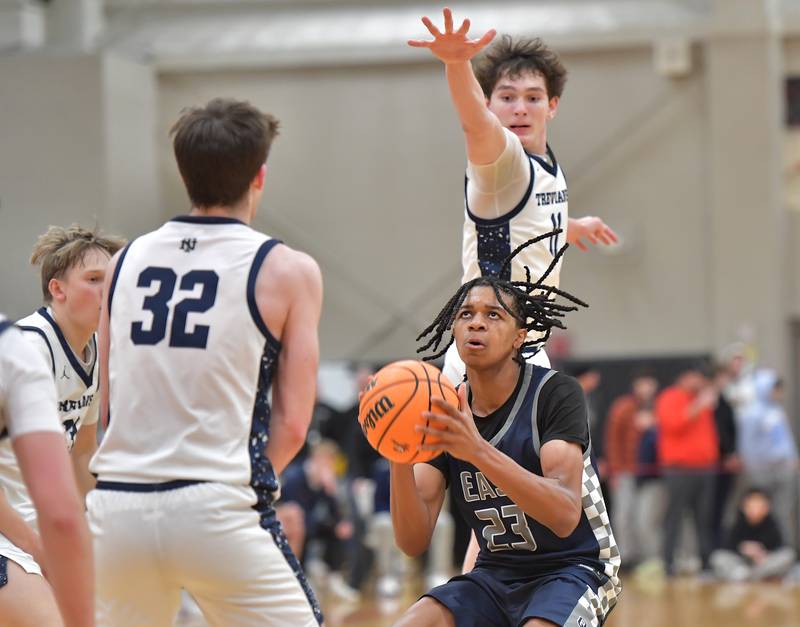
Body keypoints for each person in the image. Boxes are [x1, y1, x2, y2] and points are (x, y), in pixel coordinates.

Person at [87, 98, 324, 626]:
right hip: (215, 506)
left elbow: (107, 402)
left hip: (117, 505)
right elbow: (292, 422)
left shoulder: (126, 260)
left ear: (182, 171)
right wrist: (230, 485)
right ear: (259, 175)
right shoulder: (287, 269)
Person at [391, 245, 621, 626]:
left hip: (575, 568)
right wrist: (396, 451)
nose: (476, 323)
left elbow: (564, 515)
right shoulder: (445, 411)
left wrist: (477, 450)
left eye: (493, 315)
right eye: (466, 314)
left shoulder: (555, 393)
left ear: (520, 336)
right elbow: (412, 541)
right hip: (495, 575)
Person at [408, 7, 617, 384]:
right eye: (507, 97)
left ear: (552, 106)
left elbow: (524, 223)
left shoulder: (546, 166)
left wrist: (569, 227)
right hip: (491, 355)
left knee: (560, 443)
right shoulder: (504, 161)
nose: (520, 107)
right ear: (489, 103)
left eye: (533, 98)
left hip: (522, 347)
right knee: (557, 444)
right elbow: (474, 126)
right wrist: (458, 65)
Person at [0, 316, 95, 626]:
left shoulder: (96, 351)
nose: (104, 292)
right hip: (14, 533)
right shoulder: (24, 347)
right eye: (92, 280)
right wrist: (43, 552)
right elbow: (59, 516)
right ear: (58, 288)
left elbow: (83, 451)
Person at [655, 366, 719, 576]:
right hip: (679, 469)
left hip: (705, 468)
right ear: (684, 377)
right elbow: (673, 424)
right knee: (674, 517)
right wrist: (699, 405)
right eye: (695, 376)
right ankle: (668, 563)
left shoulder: (703, 400)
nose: (699, 381)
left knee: (704, 517)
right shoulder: (670, 397)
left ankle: (706, 563)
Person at [738, 370, 799, 545]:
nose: (778, 393)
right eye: (775, 389)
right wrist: (754, 469)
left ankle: (785, 548)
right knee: (760, 512)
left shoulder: (777, 411)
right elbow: (747, 445)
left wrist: (793, 457)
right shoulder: (752, 413)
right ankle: (764, 549)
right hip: (763, 471)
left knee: (784, 512)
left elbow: (786, 438)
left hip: (784, 469)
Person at [604, 369, 658, 567]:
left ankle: (648, 556)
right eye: (642, 384)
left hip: (650, 473)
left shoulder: (657, 407)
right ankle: (626, 556)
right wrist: (615, 469)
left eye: (649, 384)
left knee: (645, 517)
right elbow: (613, 439)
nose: (646, 388)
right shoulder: (623, 407)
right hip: (625, 470)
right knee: (623, 514)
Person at [710, 488, 796, 582]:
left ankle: (750, 576)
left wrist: (762, 554)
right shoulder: (737, 522)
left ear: (767, 507)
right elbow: (726, 547)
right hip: (741, 563)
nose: (755, 509)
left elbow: (780, 547)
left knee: (788, 555)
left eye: (759, 505)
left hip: (763, 564)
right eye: (752, 505)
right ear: (744, 506)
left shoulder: (772, 524)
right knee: (717, 557)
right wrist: (743, 549)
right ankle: (750, 575)